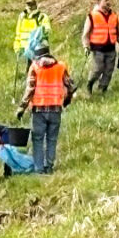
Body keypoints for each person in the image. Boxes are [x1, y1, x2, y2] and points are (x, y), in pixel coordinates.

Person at [16, 46, 75, 174]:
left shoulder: (35, 67)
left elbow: (30, 89)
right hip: (55, 109)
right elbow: (70, 86)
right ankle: (49, 166)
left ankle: (38, 169)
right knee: (52, 139)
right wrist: (67, 100)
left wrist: (21, 108)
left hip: (39, 110)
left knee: (37, 139)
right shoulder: (60, 66)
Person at [81, 0, 119, 94]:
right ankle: (90, 83)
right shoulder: (92, 16)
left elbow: (118, 33)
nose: (108, 2)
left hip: (111, 48)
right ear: (99, 2)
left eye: (108, 0)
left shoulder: (114, 16)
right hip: (97, 49)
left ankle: (102, 89)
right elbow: (86, 34)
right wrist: (86, 46)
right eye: (105, 0)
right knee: (98, 69)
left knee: (109, 70)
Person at [14, 0, 52, 65]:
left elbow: (47, 31)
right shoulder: (22, 17)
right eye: (28, 5)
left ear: (36, 6)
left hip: (38, 50)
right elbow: (18, 33)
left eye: (32, 5)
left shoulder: (42, 17)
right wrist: (17, 47)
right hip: (25, 50)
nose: (30, 7)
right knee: (28, 71)